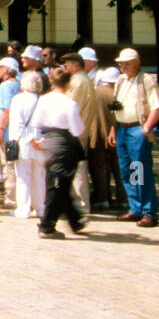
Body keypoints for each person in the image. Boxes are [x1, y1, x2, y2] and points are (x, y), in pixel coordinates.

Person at [109, 48, 159, 227]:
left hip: (137, 129)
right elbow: (116, 107)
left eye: (127, 63)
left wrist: (146, 128)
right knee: (127, 171)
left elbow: (157, 107)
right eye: (121, 64)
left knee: (140, 170)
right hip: (122, 129)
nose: (123, 67)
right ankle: (135, 208)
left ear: (137, 63)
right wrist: (113, 129)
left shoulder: (146, 80)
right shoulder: (121, 80)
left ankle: (149, 212)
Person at [32, 67, 87, 238]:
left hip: (48, 140)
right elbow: (77, 129)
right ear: (68, 83)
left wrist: (38, 139)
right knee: (59, 183)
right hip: (64, 142)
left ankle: (74, 219)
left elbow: (36, 122)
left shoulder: (43, 100)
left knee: (60, 181)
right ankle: (47, 225)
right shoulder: (69, 103)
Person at [60, 52, 103, 213]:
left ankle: (81, 205)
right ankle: (79, 203)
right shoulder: (83, 80)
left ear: (75, 65)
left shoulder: (78, 82)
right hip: (79, 129)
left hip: (75, 131)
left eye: (67, 64)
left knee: (77, 169)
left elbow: (70, 106)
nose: (65, 68)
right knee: (77, 167)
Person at [8, 71, 46, 219]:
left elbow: (18, 124)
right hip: (41, 143)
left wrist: (30, 140)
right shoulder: (44, 100)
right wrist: (40, 140)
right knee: (39, 177)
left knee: (23, 177)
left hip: (24, 143)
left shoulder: (18, 99)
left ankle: (23, 209)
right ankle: (40, 208)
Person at [0, 57, 22, 209]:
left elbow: (6, 110)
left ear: (7, 69)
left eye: (0, 67)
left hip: (6, 132)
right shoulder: (17, 85)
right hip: (13, 131)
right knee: (12, 164)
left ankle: (11, 197)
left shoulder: (6, 86)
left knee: (8, 165)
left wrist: (0, 129)